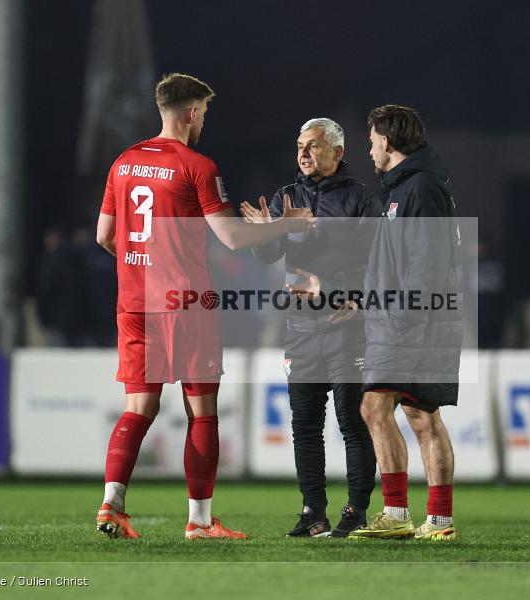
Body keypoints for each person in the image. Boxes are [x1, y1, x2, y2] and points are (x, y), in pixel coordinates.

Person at [94, 73, 313, 540]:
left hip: (135, 304)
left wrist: (145, 265)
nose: (204, 122)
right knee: (202, 410)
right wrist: (284, 225)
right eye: (205, 113)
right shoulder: (197, 165)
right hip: (186, 304)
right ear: (192, 112)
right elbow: (232, 237)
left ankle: (112, 505)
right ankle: (198, 521)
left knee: (138, 407)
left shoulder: (123, 162)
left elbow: (105, 236)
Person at [241, 118, 380, 538]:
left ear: (338, 153)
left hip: (346, 324)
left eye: (314, 145)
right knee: (305, 423)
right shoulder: (287, 197)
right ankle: (312, 513)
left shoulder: (360, 199)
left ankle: (355, 511)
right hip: (300, 327)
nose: (303, 153)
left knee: (351, 421)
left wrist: (343, 292)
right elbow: (268, 256)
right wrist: (265, 235)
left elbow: (380, 260)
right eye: (300, 145)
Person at [348, 105, 463, 542]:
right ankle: (432, 519)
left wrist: (399, 314)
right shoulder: (407, 188)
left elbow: (427, 265)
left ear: (389, 142)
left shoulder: (419, 188)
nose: (370, 147)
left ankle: (403, 515)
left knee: (376, 407)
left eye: (373, 139)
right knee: (420, 414)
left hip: (413, 321)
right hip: (410, 319)